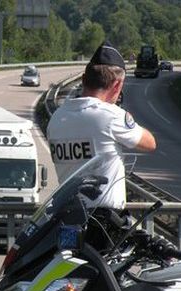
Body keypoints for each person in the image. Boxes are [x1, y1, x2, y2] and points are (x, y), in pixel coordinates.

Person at [47, 40, 156, 209]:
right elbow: (150, 143)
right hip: (101, 223)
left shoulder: (57, 117)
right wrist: (123, 115)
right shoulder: (111, 116)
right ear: (117, 84)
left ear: (84, 80)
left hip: (65, 215)